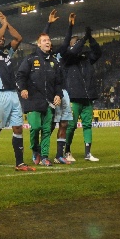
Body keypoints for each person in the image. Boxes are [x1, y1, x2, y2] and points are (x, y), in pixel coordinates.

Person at [0, 11, 35, 173]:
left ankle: (19, 163)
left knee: (18, 128)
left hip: (13, 94)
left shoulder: (7, 52)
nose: (2, 38)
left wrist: (7, 22)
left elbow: (18, 38)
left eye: (4, 37)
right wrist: (2, 26)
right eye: (0, 36)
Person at [58, 13, 102, 162]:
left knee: (88, 125)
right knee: (70, 126)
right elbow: (73, 51)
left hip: (88, 97)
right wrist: (83, 39)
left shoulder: (87, 58)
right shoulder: (67, 58)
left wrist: (91, 39)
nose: (80, 45)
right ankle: (67, 151)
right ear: (72, 45)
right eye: (77, 42)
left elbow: (98, 52)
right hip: (74, 97)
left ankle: (88, 153)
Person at [16, 32, 63, 166]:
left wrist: (58, 95)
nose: (47, 42)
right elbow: (20, 76)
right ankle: (35, 150)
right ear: (39, 44)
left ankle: (44, 156)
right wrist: (22, 88)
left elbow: (59, 83)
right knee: (36, 127)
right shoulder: (30, 59)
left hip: (49, 102)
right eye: (44, 40)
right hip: (33, 100)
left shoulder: (55, 62)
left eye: (48, 40)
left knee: (47, 130)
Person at [41, 10, 74, 164]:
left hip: (64, 93)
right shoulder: (45, 58)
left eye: (50, 42)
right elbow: (42, 38)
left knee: (64, 123)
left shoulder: (58, 55)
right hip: (52, 93)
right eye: (46, 42)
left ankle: (59, 155)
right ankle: (42, 152)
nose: (48, 43)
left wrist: (70, 25)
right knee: (51, 124)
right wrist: (49, 24)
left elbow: (67, 41)